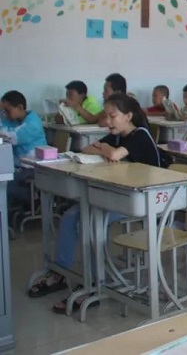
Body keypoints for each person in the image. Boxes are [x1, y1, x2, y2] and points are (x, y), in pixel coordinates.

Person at [27, 94, 161, 313]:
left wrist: (105, 149)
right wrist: (105, 148)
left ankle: (92, 284)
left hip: (143, 201)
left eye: (112, 116)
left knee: (89, 220)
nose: (108, 121)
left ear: (128, 116)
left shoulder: (140, 135)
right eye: (106, 116)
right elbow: (87, 149)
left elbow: (115, 155)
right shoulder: (117, 135)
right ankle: (60, 272)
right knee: (71, 216)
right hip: (119, 195)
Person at [1, 90, 47, 206]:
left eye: (7, 110)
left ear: (20, 107)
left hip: (32, 167)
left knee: (4, 183)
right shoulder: (14, 120)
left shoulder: (33, 123)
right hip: (18, 165)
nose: (5, 114)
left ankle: (34, 198)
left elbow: (10, 137)